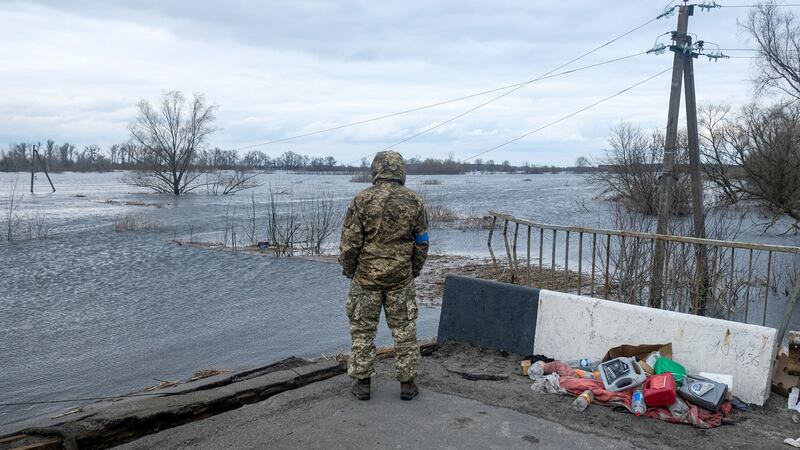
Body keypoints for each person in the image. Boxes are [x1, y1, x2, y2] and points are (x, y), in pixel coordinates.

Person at [339, 150, 429, 401]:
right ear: (400, 170)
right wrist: (414, 270)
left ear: (376, 169)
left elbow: (349, 243)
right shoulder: (414, 201)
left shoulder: (362, 199)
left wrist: (349, 270)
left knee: (362, 330)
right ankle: (408, 384)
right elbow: (422, 241)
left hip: (366, 279)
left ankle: (363, 383)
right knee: (405, 330)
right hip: (400, 278)